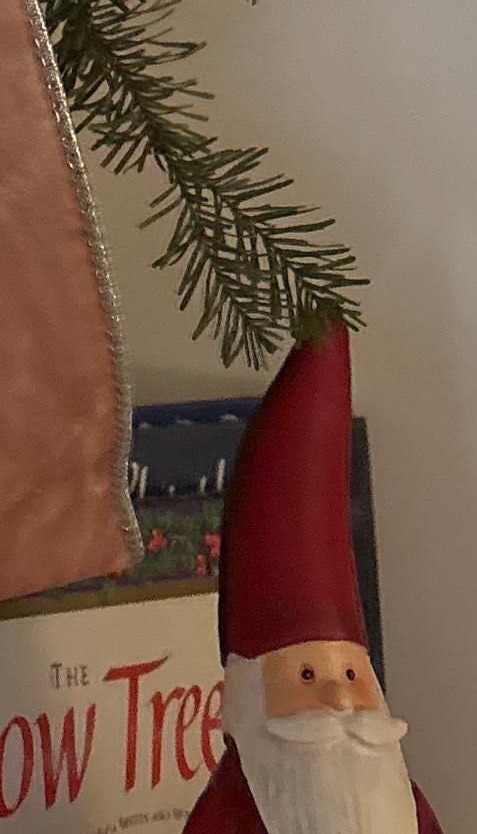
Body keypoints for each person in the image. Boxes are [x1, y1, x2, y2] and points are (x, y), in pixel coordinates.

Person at [185, 327, 442, 834]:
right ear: (251, 697)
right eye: (306, 677)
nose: (341, 702)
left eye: (350, 675)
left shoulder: (402, 802)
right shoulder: (234, 808)